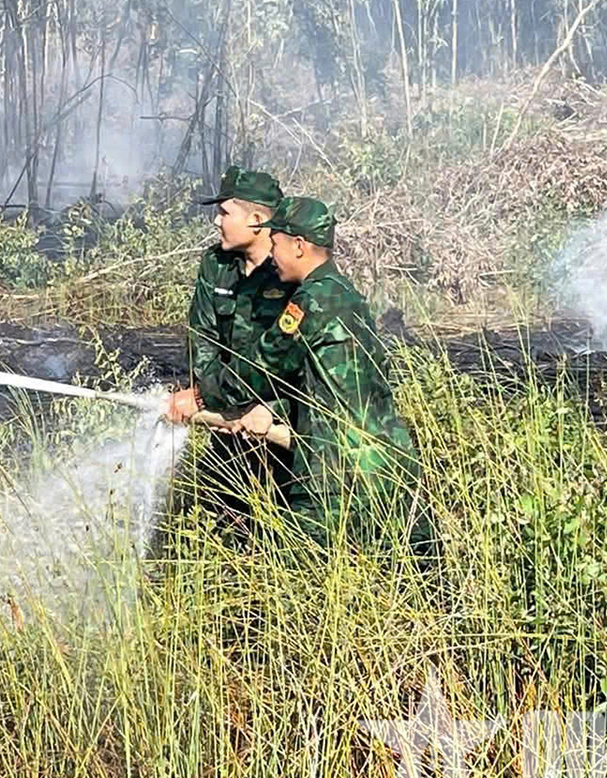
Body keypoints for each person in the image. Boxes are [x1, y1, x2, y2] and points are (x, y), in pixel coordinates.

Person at [229, 196, 432, 553]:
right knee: (415, 579)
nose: (271, 255)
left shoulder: (309, 301)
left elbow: (260, 367)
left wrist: (198, 397)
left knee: (293, 581)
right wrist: (273, 409)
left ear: (299, 246)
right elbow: (331, 378)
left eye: (275, 244)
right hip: (392, 466)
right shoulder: (347, 295)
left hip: (335, 474)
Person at [165, 165, 296, 521]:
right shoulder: (216, 265)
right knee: (215, 520)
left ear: (255, 220)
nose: (216, 221)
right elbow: (202, 338)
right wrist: (206, 395)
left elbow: (305, 360)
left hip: (285, 429)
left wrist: (271, 407)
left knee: (286, 530)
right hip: (226, 419)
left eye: (224, 212)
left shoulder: (293, 271)